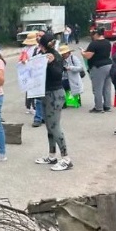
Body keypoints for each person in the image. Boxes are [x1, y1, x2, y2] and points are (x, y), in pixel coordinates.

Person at [34, 34, 73, 171]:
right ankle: (52, 155)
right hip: (46, 93)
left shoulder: (55, 56)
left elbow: (57, 74)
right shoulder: (42, 55)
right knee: (49, 126)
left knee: (54, 126)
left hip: (55, 94)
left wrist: (50, 64)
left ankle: (66, 158)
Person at [80, 28, 112, 113]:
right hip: (108, 65)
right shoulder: (107, 42)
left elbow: (88, 56)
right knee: (107, 87)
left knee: (97, 88)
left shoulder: (94, 44)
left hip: (98, 67)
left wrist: (82, 53)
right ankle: (107, 105)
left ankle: (99, 107)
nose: (92, 36)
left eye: (93, 34)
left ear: (96, 34)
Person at [19, 33, 38, 113]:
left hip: (33, 70)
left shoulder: (35, 48)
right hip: (27, 70)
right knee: (28, 88)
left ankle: (32, 106)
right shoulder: (25, 49)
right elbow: (21, 59)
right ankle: (29, 106)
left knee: (32, 89)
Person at [31, 31, 47, 127]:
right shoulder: (36, 49)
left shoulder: (49, 49)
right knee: (38, 98)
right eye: (37, 36)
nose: (38, 37)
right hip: (37, 76)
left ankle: (42, 117)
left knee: (44, 99)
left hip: (46, 77)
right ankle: (38, 117)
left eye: (40, 36)